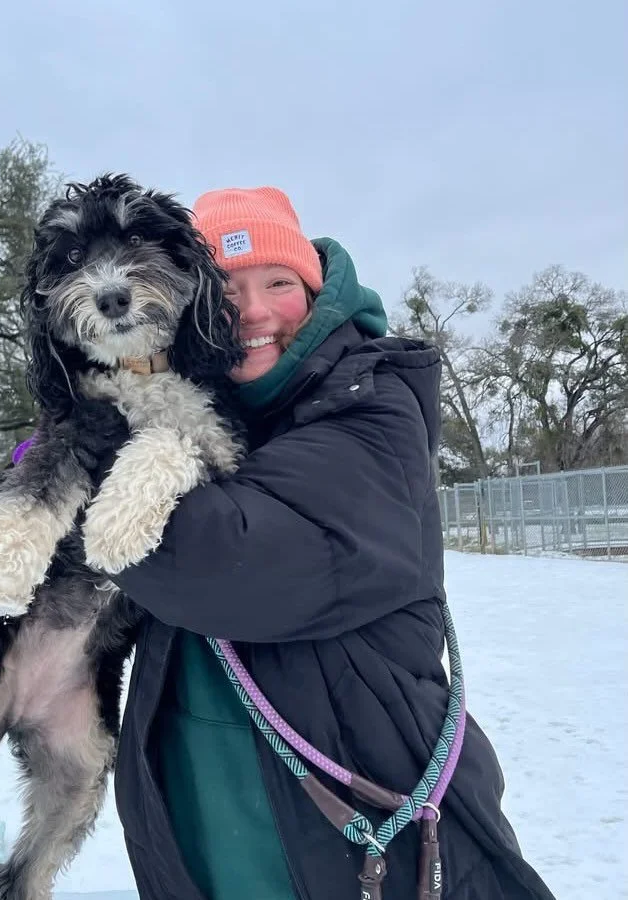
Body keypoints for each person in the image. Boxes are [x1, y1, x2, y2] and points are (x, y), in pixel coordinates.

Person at [98, 187, 558, 899]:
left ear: (315, 294)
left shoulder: (368, 408)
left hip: (354, 810)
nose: (253, 311)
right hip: (206, 803)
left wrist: (78, 463)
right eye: (225, 288)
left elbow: (218, 564)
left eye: (279, 284)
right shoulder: (212, 412)